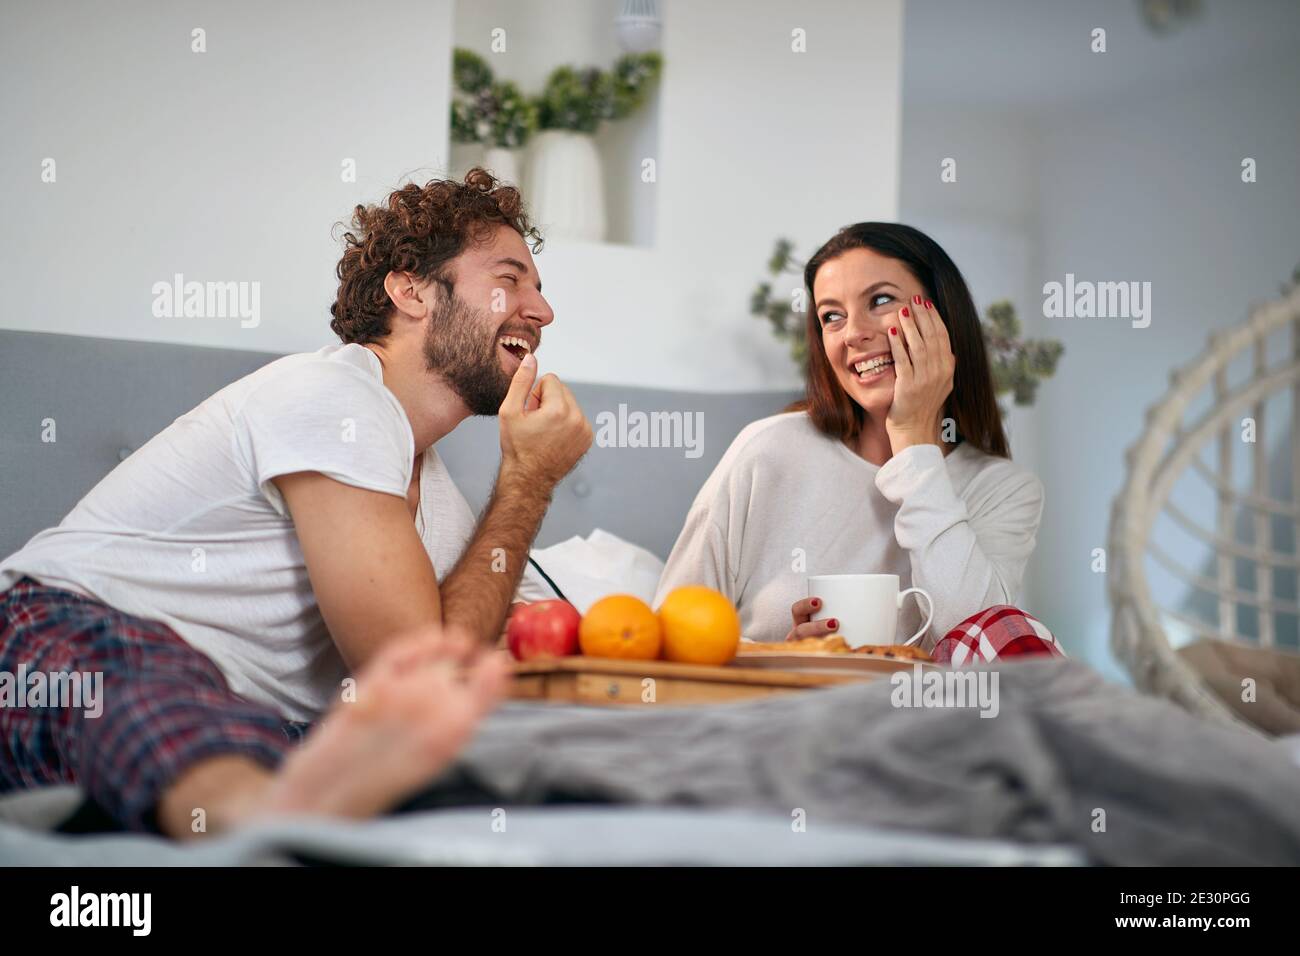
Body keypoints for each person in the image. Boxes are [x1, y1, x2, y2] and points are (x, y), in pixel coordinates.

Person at [0, 168, 592, 836]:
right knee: (150, 692)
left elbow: (441, 673)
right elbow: (408, 656)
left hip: (248, 716)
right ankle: (263, 822)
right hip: (62, 631)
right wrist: (528, 481)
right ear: (411, 290)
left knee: (405, 761)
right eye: (510, 279)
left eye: (539, 290)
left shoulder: (442, 505)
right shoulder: (332, 395)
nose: (542, 311)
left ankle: (285, 809)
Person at [656, 222, 1053, 657]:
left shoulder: (1003, 489)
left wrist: (915, 443)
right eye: (832, 316)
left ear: (943, 318)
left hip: (928, 721)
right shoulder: (767, 451)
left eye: (880, 300)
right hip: (776, 716)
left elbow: (984, 645)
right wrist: (784, 658)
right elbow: (671, 632)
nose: (853, 334)